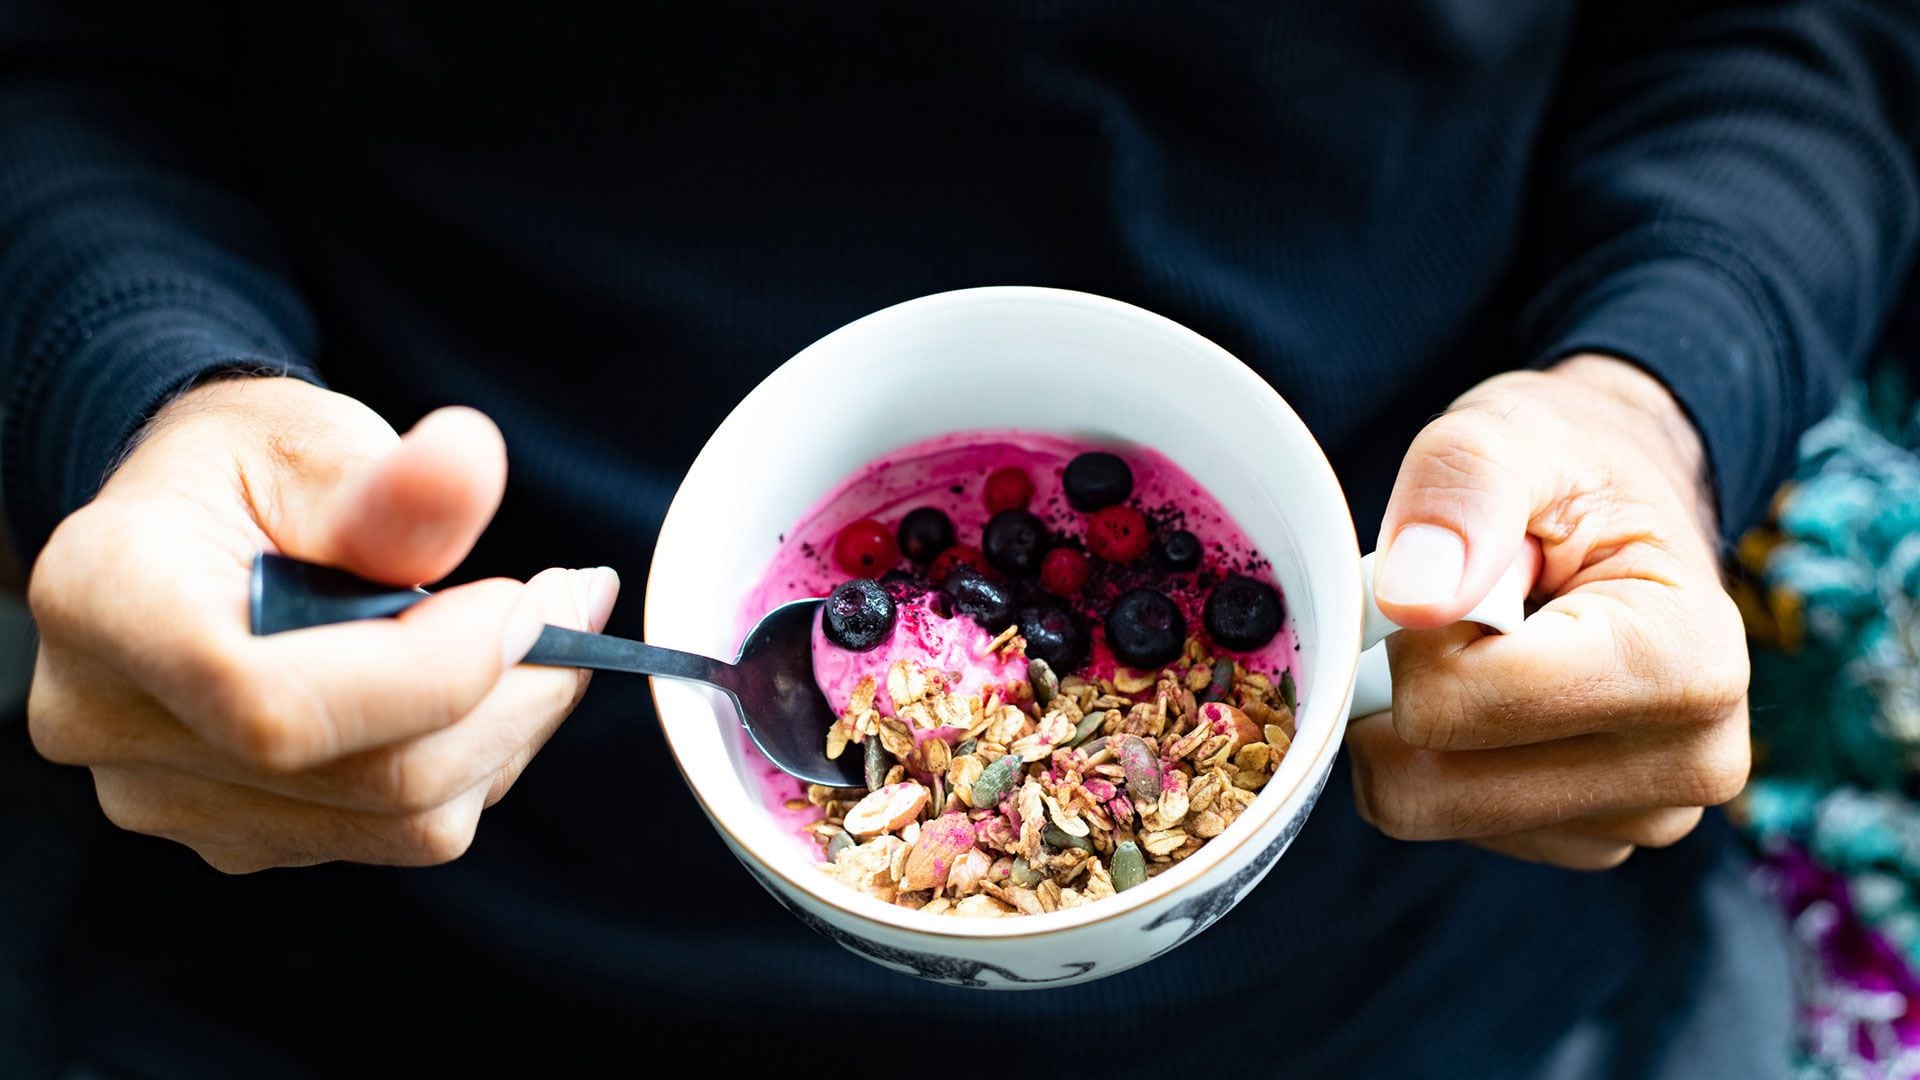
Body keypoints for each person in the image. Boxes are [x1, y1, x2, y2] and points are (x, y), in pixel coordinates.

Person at [2, 2, 1915, 1076]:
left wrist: (1652, 394)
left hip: (1422, 974)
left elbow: (1779, 33)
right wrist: (152, 394)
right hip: (385, 961)